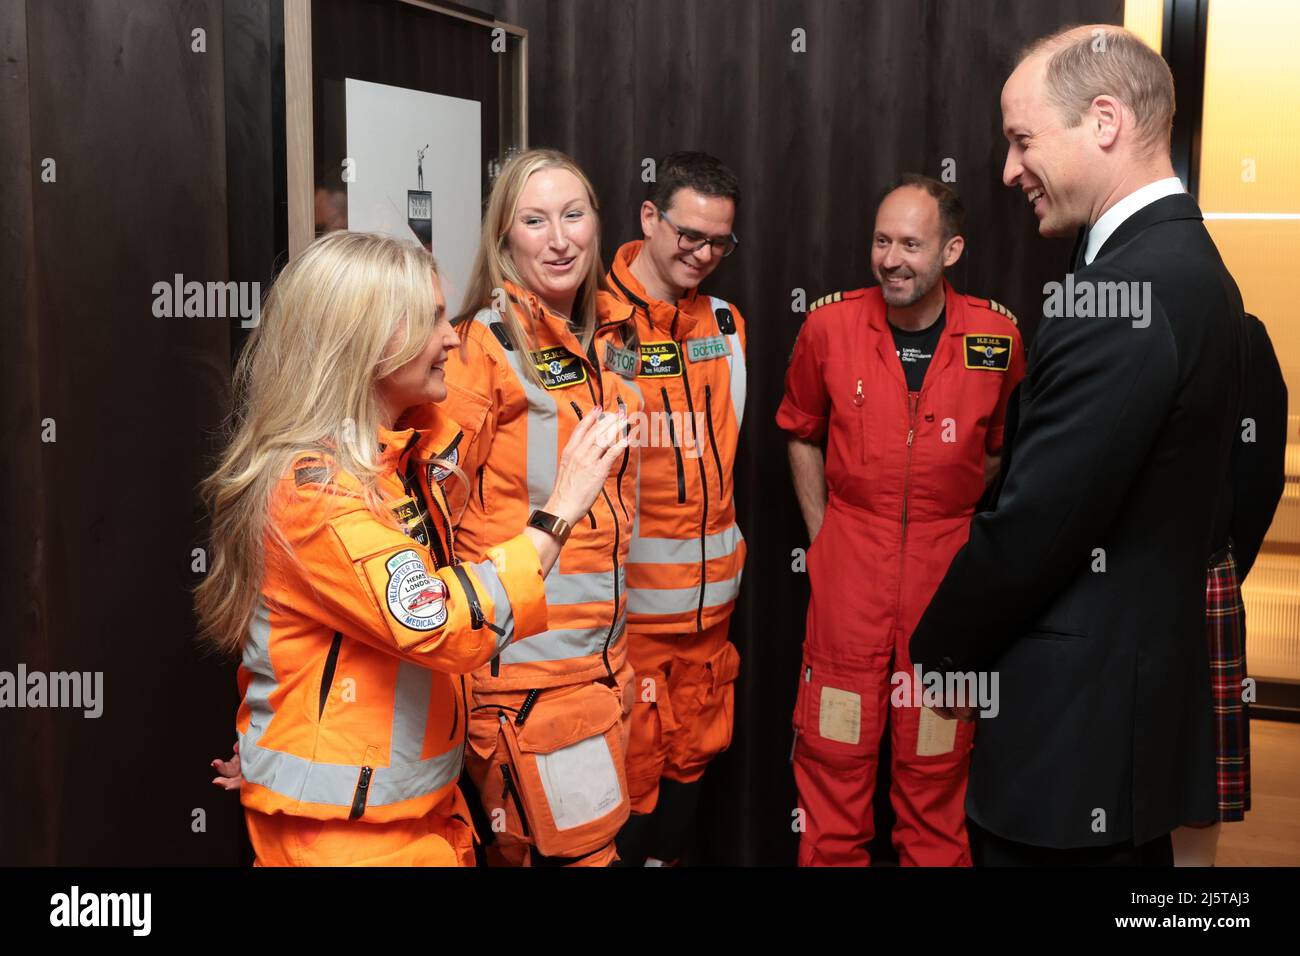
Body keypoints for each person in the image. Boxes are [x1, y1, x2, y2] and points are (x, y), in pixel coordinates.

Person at [909, 25, 1245, 866]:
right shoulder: (1189, 265)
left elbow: (1037, 527)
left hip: (1070, 750)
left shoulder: (1129, 291)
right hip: (1118, 724)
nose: (1008, 170)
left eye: (1022, 140)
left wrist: (941, 654)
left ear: (1103, 121)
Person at [197, 230, 627, 866]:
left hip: (413, 817)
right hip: (348, 842)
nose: (452, 337)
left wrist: (277, 740)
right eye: (431, 319)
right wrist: (560, 510)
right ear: (368, 342)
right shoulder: (315, 491)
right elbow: (441, 622)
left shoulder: (402, 459)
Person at [777, 174, 1024, 866]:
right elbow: (799, 430)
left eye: (911, 244)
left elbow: (1003, 448)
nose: (891, 260)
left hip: (948, 588)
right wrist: (824, 538)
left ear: (951, 250)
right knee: (833, 771)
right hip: (848, 582)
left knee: (937, 781)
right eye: (881, 241)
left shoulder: (996, 336)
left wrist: (949, 511)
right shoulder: (829, 328)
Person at [427, 148, 645, 866]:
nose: (559, 239)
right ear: (504, 238)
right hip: (525, 682)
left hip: (603, 670)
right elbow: (429, 520)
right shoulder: (479, 350)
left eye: (573, 215)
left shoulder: (611, 341)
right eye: (534, 221)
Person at [604, 152, 747, 867]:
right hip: (625, 628)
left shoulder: (727, 324)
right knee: (624, 802)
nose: (703, 255)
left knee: (688, 791)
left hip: (709, 628)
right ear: (649, 217)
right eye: (689, 235)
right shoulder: (596, 325)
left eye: (720, 242)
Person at [1173, 312, 1287, 866]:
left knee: (1198, 783)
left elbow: (1260, 474)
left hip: (1202, 576)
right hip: (1110, 586)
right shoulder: (1104, 324)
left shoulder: (1241, 337)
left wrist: (1223, 566)